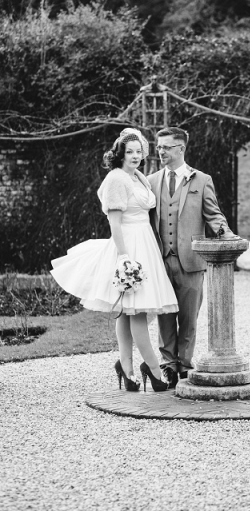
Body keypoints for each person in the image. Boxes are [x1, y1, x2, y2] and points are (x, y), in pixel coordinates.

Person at [51, 128, 178, 393]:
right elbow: (115, 223)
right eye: (129, 152)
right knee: (138, 311)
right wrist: (124, 259)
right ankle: (154, 372)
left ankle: (127, 370)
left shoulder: (139, 177)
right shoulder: (116, 179)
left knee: (127, 310)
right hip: (128, 247)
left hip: (146, 245)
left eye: (139, 151)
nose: (135, 156)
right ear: (120, 153)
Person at [147, 127, 237, 389]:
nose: (160, 151)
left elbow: (214, 215)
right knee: (164, 315)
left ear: (181, 149)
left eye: (165, 147)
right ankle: (168, 366)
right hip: (160, 260)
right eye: (159, 146)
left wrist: (226, 233)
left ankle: (185, 366)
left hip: (191, 262)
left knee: (188, 318)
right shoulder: (151, 181)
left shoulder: (201, 180)